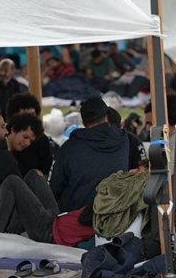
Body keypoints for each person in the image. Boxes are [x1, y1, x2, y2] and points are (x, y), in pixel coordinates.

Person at [50, 97, 128, 227]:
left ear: (84, 121)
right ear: (106, 117)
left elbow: (53, 189)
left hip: (75, 218)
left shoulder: (70, 147)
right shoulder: (123, 140)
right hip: (114, 215)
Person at [5, 93, 53, 176]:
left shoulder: (41, 140)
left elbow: (46, 173)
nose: (29, 120)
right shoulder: (0, 140)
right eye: (24, 117)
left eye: (32, 116)